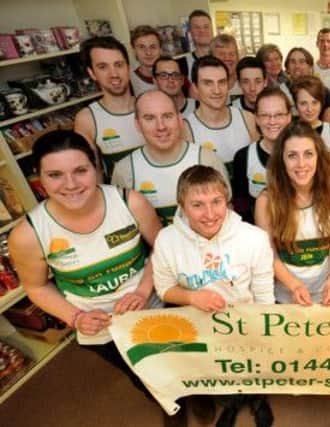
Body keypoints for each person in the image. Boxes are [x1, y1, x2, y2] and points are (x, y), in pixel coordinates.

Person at [7, 129, 162, 387]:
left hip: (153, 305)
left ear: (96, 167)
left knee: (177, 358)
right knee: (141, 375)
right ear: (39, 177)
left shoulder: (130, 202)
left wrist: (143, 291)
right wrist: (76, 317)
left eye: (80, 170)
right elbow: (36, 286)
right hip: (98, 328)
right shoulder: (27, 235)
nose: (70, 184)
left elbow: (163, 250)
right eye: (55, 175)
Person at [152, 164, 275, 427]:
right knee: (217, 371)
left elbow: (264, 292)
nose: (210, 214)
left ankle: (258, 400)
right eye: (197, 205)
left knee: (252, 367)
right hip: (200, 328)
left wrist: (263, 328)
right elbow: (164, 289)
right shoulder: (166, 240)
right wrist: (193, 297)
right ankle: (231, 404)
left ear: (227, 201)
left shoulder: (254, 238)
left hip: (245, 322)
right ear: (182, 206)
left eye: (217, 202)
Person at [255, 121, 330, 305]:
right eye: (292, 156)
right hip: (286, 297)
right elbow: (269, 255)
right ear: (281, 160)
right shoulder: (266, 201)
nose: (301, 164)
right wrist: (294, 285)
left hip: (327, 295)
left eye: (308, 154)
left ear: (319, 157)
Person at [111, 90, 229, 226]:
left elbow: (227, 213)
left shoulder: (207, 159)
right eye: (150, 118)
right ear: (138, 124)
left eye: (167, 116)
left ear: (179, 119)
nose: (161, 126)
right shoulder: (125, 170)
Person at [74, 36, 145, 180]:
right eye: (103, 67)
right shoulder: (87, 118)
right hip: (123, 199)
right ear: (92, 73)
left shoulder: (150, 106)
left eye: (118, 65)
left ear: (128, 67)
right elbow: (94, 173)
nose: (114, 74)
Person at [183, 55, 258, 174]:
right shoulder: (185, 129)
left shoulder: (248, 119)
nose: (217, 90)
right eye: (208, 83)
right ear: (195, 87)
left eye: (222, 82)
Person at [232, 87, 292, 224]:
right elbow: (241, 208)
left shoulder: (304, 155)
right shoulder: (243, 157)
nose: (272, 121)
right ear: (257, 119)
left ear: (289, 117)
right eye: (265, 115)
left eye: (279, 115)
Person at [284, 47, 330, 123]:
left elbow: (327, 127)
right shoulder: (281, 92)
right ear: (287, 68)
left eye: (302, 62)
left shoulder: (324, 92)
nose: (297, 66)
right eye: (292, 62)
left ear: (310, 67)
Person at [292, 75, 330, 149]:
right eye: (303, 103)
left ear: (321, 103)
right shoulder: (288, 130)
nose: (310, 109)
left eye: (314, 103)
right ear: (296, 105)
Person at [209, 34, 242, 101]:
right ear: (211, 58)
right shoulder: (202, 87)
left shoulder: (245, 82)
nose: (227, 58)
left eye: (231, 54)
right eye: (221, 54)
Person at [129, 25, 161, 96]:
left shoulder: (174, 74)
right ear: (134, 51)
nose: (148, 52)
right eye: (142, 47)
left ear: (160, 50)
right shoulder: (129, 82)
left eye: (153, 47)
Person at [185, 10, 214, 76]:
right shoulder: (183, 64)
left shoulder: (223, 58)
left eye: (206, 27)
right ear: (190, 32)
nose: (202, 31)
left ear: (212, 29)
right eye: (196, 27)